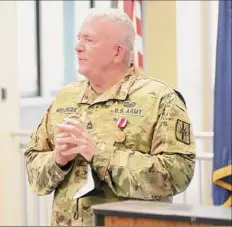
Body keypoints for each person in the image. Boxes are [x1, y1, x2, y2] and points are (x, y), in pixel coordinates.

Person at [24, 8, 196, 226]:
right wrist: (58, 159)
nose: (78, 47)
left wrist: (100, 155)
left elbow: (177, 174)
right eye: (78, 39)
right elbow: (34, 173)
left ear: (117, 52)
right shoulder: (65, 98)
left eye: (89, 40)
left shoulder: (161, 99)